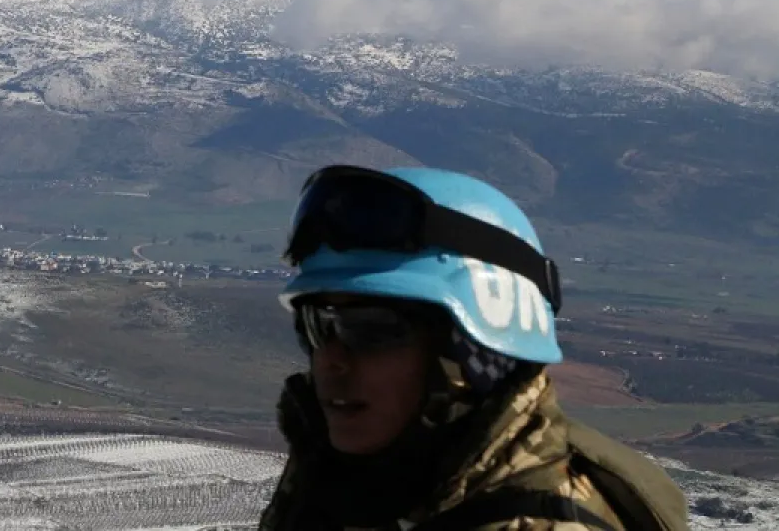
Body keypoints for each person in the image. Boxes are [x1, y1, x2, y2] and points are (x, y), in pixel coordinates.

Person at [259, 164, 688, 531]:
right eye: (317, 325)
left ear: (473, 355)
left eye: (371, 330)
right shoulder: (374, 485)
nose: (330, 359)